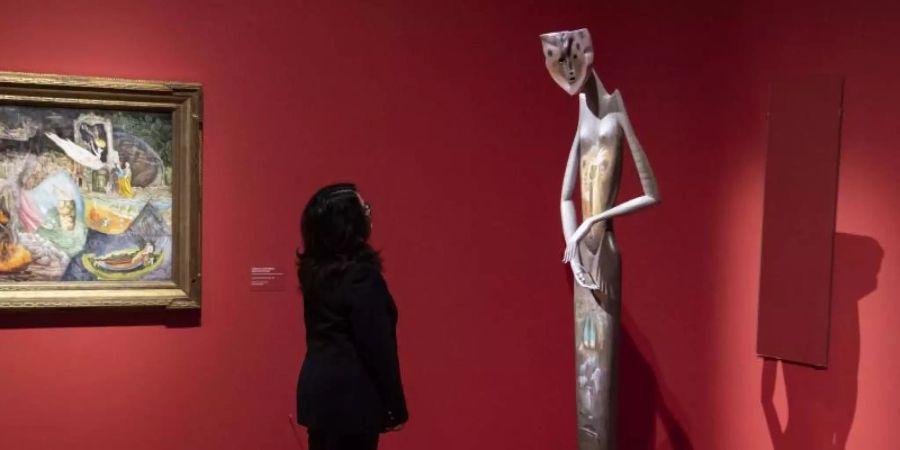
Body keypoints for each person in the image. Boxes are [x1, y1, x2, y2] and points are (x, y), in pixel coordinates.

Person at [295, 183, 408, 450]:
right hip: (352, 401)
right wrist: (396, 405)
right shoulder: (361, 278)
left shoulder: (315, 273)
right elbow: (378, 347)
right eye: (363, 208)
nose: (369, 214)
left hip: (320, 397)